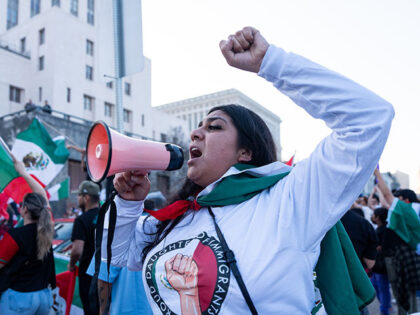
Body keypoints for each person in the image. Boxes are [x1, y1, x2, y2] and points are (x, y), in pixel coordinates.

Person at [102, 26, 394, 314]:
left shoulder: (288, 201)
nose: (195, 133)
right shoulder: (179, 216)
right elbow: (118, 253)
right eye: (198, 127)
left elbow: (369, 118)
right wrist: (128, 203)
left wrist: (271, 62)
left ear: (246, 152)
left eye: (214, 127)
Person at [0, 155, 56, 314]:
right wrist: (23, 173)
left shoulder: (15, 236)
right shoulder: (48, 228)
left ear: (24, 210)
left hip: (18, 298)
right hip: (44, 297)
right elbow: (43, 196)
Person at [374, 168, 420, 314]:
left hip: (403, 258)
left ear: (405, 200)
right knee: (403, 293)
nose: (394, 199)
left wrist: (377, 174)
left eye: (397, 197)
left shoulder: (406, 209)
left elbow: (387, 196)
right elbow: (385, 200)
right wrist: (379, 189)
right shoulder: (403, 210)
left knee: (406, 294)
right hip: (402, 256)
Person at [68, 180, 100, 315]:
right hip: (107, 273)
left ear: (86, 198)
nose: (77, 198)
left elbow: (77, 250)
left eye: (79, 195)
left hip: (88, 275)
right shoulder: (108, 215)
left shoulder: (82, 220)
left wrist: (71, 264)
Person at [371, 207, 392, 315]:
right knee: (376, 286)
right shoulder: (379, 228)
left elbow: (381, 247)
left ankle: (385, 310)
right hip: (376, 265)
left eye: (374, 215)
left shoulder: (385, 230)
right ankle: (385, 307)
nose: (372, 216)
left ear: (378, 218)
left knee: (382, 288)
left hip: (381, 265)